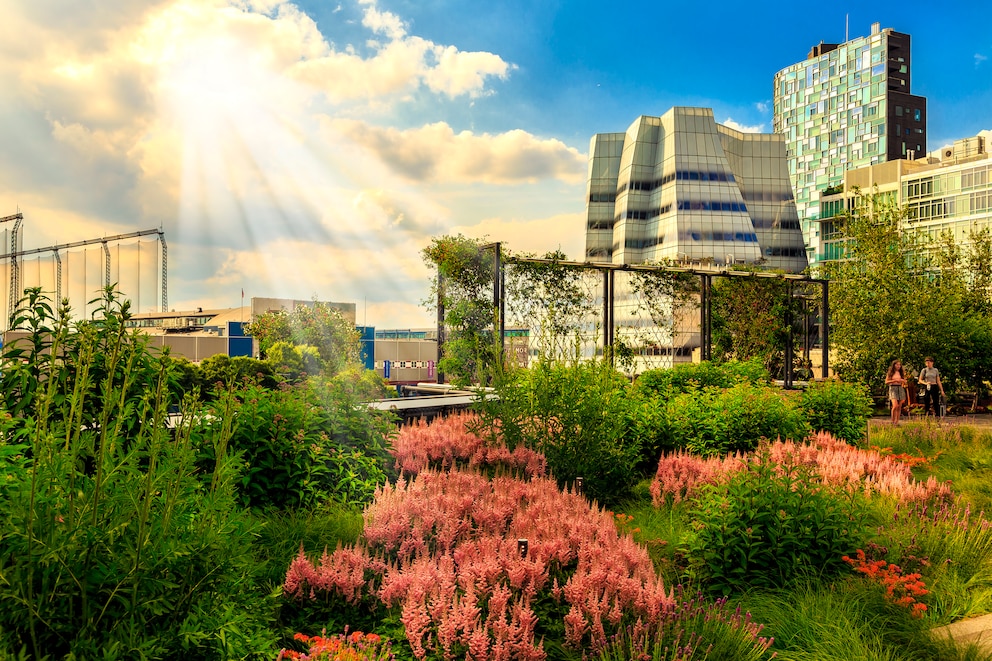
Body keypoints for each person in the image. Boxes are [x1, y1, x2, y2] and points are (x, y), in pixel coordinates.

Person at [885, 359, 908, 426]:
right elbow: (886, 382)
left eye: (899, 365)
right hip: (893, 388)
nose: (898, 366)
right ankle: (892, 421)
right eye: (897, 364)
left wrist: (901, 380)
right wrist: (894, 380)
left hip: (900, 387)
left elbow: (905, 381)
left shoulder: (901, 373)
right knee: (895, 405)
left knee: (899, 406)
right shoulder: (890, 372)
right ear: (894, 365)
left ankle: (896, 421)